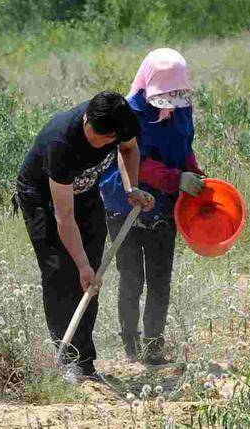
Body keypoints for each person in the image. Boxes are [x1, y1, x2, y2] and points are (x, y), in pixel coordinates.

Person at [13, 91, 152, 382]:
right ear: (86, 118)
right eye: (93, 134)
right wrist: (81, 264)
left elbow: (128, 150)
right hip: (42, 197)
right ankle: (66, 360)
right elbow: (64, 218)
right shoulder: (61, 142)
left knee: (92, 277)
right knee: (60, 272)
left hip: (85, 191)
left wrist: (131, 188)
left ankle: (85, 362)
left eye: (104, 139)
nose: (97, 142)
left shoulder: (121, 122)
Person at [100, 48, 206, 365]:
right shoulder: (129, 113)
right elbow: (136, 164)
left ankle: (153, 347)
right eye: (165, 92)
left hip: (164, 208)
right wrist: (177, 178)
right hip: (125, 202)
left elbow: (183, 148)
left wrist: (194, 173)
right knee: (131, 278)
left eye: (176, 92)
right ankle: (130, 344)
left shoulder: (182, 110)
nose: (170, 99)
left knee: (160, 280)